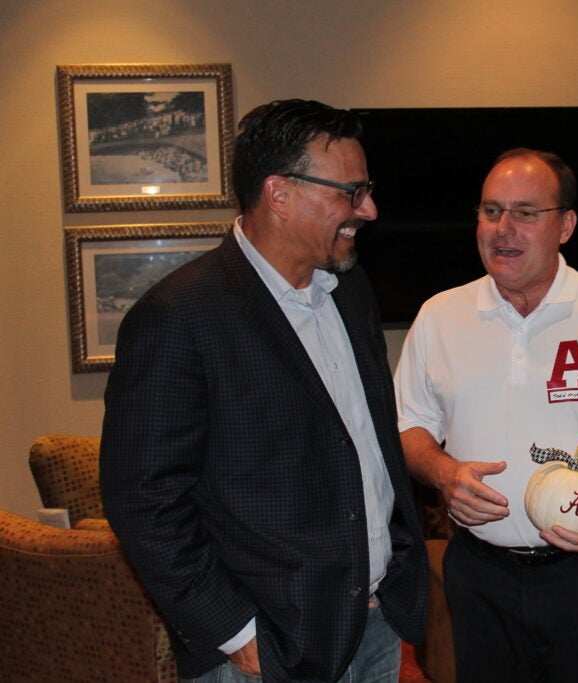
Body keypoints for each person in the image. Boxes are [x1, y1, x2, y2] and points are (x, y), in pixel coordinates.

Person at [100, 99, 428, 683]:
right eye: (350, 193)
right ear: (279, 194)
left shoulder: (350, 293)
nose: (369, 210)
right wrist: (237, 634)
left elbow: (366, 445)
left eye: (367, 189)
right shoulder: (179, 316)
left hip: (377, 625)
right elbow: (143, 500)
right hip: (267, 651)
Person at [394, 148, 578, 682]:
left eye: (524, 213)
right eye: (490, 210)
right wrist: (445, 474)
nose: (502, 229)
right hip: (479, 576)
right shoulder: (440, 316)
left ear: (565, 225)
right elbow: (407, 426)